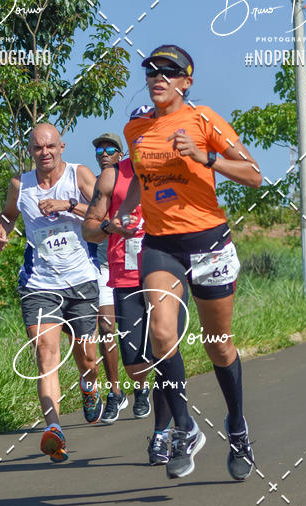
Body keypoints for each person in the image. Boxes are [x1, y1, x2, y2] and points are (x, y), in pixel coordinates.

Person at [108, 44, 262, 480]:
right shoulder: (135, 128)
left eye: (169, 71)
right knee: (161, 333)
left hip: (209, 243)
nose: (157, 77)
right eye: (151, 71)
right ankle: (185, 427)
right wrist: (127, 209)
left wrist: (204, 156)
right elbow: (140, 177)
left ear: (186, 82)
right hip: (161, 245)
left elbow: (253, 174)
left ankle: (237, 427)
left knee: (217, 343)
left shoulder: (204, 119)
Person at [0, 123, 103, 464]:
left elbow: (105, 213)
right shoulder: (19, 186)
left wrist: (67, 204)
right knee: (45, 353)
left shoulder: (79, 175)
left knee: (87, 358)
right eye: (38, 148)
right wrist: (1, 232)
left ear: (62, 146)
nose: (45, 152)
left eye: (50, 146)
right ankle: (54, 429)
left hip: (81, 280)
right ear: (30, 151)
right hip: (39, 284)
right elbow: (8, 217)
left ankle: (89, 387)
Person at [83, 130, 187, 464]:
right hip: (126, 277)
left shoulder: (174, 170)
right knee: (134, 362)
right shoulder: (113, 175)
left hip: (166, 274)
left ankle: (165, 433)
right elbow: (90, 228)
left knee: (165, 356)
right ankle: (142, 392)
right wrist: (112, 227)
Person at [90, 131, 151, 424]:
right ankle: (116, 393)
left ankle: (142, 388)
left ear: (121, 152)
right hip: (104, 265)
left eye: (109, 148)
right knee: (106, 327)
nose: (103, 153)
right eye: (99, 148)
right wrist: (106, 224)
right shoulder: (98, 179)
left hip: (147, 262)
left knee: (151, 335)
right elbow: (88, 220)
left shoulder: (125, 175)